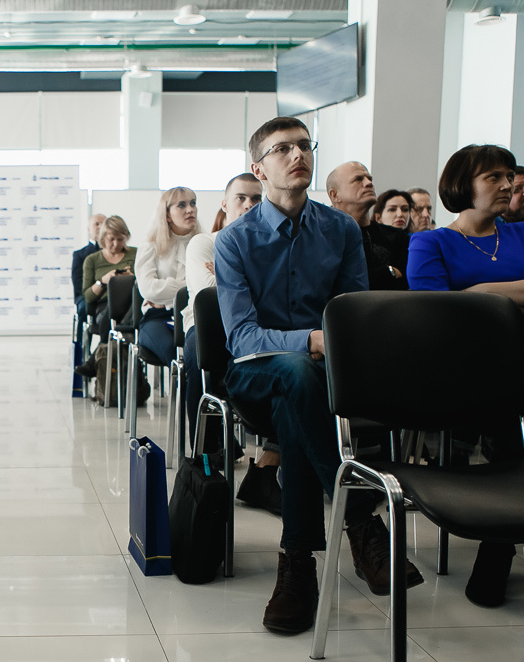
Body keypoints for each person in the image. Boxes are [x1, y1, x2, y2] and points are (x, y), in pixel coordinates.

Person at [215, 116, 424, 635]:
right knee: (292, 376)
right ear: (257, 168)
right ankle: (359, 517)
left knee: (299, 401)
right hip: (253, 377)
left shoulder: (341, 230)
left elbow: (353, 315)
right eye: (282, 149)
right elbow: (241, 340)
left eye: (304, 146)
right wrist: (308, 340)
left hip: (320, 382)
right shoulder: (233, 242)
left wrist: (325, 347)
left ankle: (298, 566)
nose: (297, 155)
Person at [409, 143, 524, 609]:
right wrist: (517, 300)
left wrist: (482, 291)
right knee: (516, 413)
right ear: (464, 186)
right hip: (467, 364)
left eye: (509, 176)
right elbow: (437, 312)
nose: (508, 185)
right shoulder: (431, 241)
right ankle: (499, 545)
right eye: (494, 177)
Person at [183, 174, 279, 512]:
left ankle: (268, 463)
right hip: (209, 327)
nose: (249, 205)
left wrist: (228, 278)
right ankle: (204, 455)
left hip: (253, 329)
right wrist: (249, 284)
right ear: (225, 204)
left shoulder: (271, 246)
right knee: (198, 357)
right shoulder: (204, 243)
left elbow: (276, 298)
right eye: (241, 198)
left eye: (256, 199)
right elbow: (208, 293)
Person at [134, 187, 199, 367]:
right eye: (181, 205)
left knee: (201, 351)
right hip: (158, 317)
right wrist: (190, 287)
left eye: (193, 203)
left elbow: (210, 287)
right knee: (174, 352)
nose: (190, 209)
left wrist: (167, 295)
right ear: (167, 214)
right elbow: (148, 289)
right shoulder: (151, 246)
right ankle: (184, 395)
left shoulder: (203, 243)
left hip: (195, 315)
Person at [328, 161, 408, 291]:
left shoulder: (397, 237)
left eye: (369, 179)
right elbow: (332, 284)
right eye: (358, 179)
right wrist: (387, 272)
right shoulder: (322, 236)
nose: (369, 183)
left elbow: (405, 284)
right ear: (335, 195)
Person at [74, 215, 136, 378]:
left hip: (131, 304)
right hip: (105, 305)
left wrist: (129, 279)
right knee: (114, 310)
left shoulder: (135, 255)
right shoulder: (92, 260)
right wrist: (103, 281)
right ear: (103, 238)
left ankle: (95, 359)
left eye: (120, 239)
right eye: (111, 239)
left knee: (132, 302)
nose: (116, 244)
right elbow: (87, 296)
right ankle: (100, 356)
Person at [73, 213, 105, 319]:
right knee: (84, 308)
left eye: (103, 224)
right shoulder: (80, 254)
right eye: (96, 224)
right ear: (88, 229)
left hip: (107, 295)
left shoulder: (113, 253)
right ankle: (82, 336)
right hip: (85, 296)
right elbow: (77, 281)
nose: (100, 226)